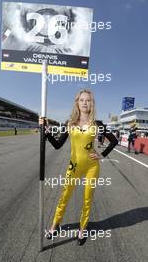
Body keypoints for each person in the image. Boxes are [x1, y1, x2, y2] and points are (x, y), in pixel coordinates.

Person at [40, 89, 118, 245]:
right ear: (77, 102)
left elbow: (114, 141)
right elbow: (57, 145)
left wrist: (102, 155)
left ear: (92, 103)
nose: (84, 103)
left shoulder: (98, 124)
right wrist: (47, 133)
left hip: (91, 167)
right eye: (81, 100)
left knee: (87, 200)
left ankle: (83, 229)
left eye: (88, 100)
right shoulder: (70, 123)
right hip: (74, 165)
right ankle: (55, 225)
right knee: (65, 196)